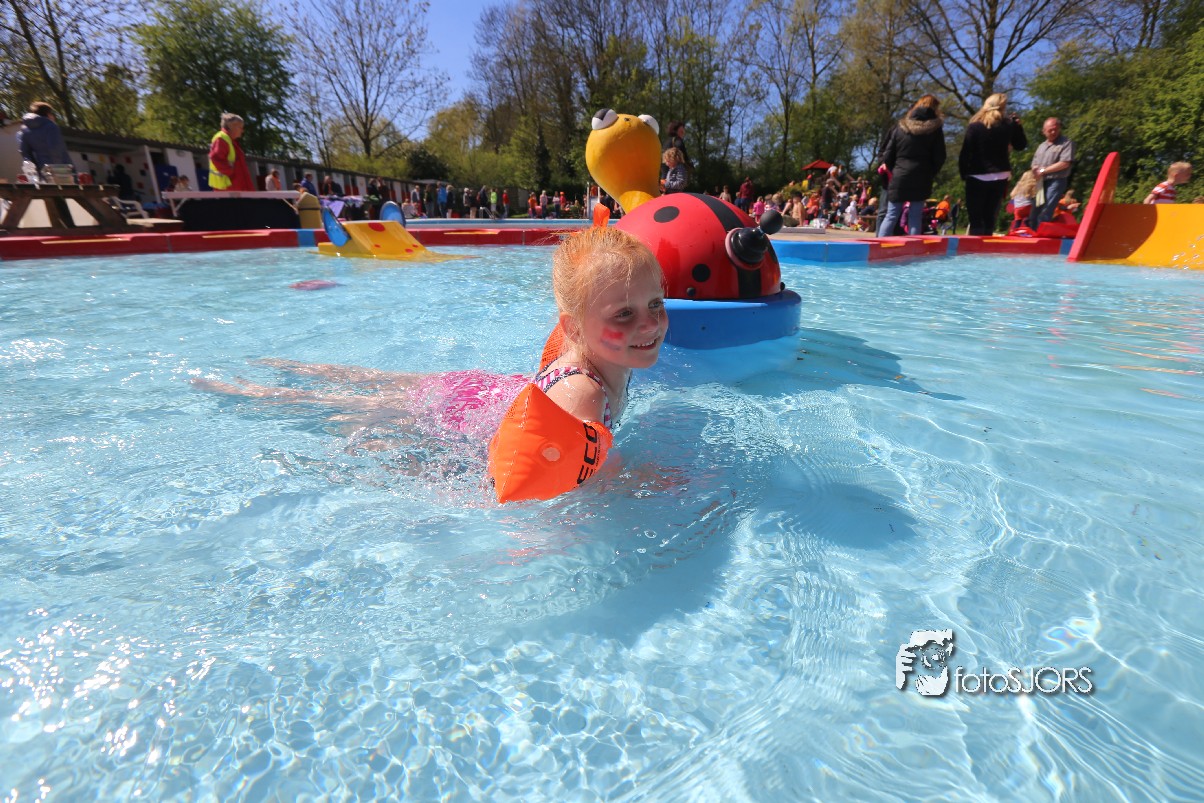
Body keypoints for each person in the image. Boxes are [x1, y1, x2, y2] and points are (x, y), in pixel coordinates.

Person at [192, 226, 667, 502]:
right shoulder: (583, 392)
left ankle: (283, 365)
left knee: (370, 382)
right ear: (574, 329)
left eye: (655, 304)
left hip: (479, 390)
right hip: (462, 411)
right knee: (335, 407)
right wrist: (638, 480)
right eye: (624, 314)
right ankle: (245, 391)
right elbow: (580, 473)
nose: (650, 324)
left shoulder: (604, 352)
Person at [876, 94, 947, 238]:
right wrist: (931, 172)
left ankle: (879, 246)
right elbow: (940, 156)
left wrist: (892, 169)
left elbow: (888, 154)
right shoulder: (935, 129)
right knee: (915, 216)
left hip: (900, 175)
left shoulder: (900, 127)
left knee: (891, 215)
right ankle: (913, 250)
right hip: (922, 176)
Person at [958, 94, 1027, 235]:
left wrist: (964, 174)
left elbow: (965, 153)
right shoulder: (1009, 125)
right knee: (989, 217)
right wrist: (1018, 127)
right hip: (1000, 174)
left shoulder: (975, 127)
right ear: (1003, 107)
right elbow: (1020, 145)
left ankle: (975, 245)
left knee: (976, 217)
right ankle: (986, 245)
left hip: (977, 175)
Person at [1028, 118, 1074, 229]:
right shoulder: (1041, 146)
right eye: (1050, 130)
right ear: (1043, 131)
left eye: (1056, 129)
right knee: (1036, 208)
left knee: (1047, 207)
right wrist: (1035, 169)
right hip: (1040, 181)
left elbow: (1065, 163)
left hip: (1056, 180)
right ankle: (1032, 231)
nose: (1053, 132)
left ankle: (1041, 231)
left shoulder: (1066, 143)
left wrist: (1043, 171)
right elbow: (1034, 163)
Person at [17, 101, 73, 172]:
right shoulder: (51, 127)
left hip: (42, 170)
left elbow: (25, 152)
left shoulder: (26, 131)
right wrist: (59, 169)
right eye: (52, 113)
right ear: (48, 114)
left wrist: (36, 169)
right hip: (61, 169)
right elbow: (55, 149)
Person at [208, 113, 255, 192]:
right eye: (240, 127)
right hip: (229, 190)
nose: (242, 130)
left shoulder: (230, 141)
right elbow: (216, 158)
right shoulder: (221, 139)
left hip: (235, 189)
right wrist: (230, 172)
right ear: (231, 126)